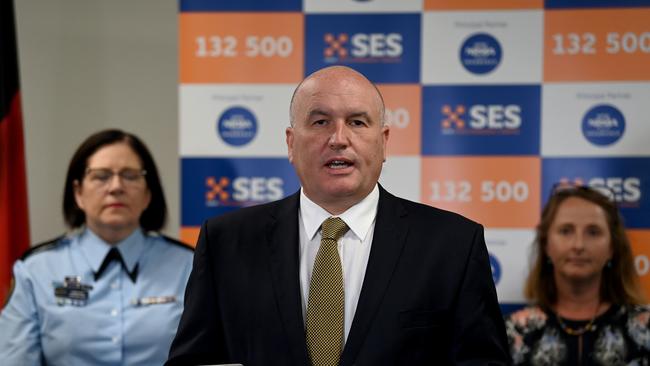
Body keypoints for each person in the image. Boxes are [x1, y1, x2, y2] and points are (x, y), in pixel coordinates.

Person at [166, 66, 510, 365]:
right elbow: (195, 361)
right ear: (290, 143)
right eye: (320, 121)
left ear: (384, 141)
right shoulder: (227, 240)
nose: (338, 139)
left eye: (357, 122)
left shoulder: (452, 245)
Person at [0, 129, 194, 365]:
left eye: (130, 176)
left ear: (148, 194)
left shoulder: (188, 267)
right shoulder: (36, 271)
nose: (115, 187)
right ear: (78, 192)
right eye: (101, 176)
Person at [505, 184, 650, 365]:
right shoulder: (515, 333)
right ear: (546, 244)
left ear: (612, 247)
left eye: (593, 232)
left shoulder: (644, 329)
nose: (579, 245)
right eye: (566, 231)